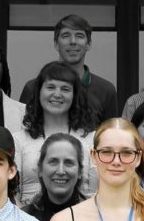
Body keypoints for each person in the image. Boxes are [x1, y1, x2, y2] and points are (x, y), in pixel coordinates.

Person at [18, 62, 99, 205]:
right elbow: (13, 194)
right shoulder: (18, 140)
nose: (57, 94)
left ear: (75, 95)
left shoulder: (93, 140)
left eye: (65, 89)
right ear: (39, 92)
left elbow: (95, 194)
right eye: (50, 87)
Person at [18, 14, 119, 119]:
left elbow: (109, 134)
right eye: (66, 36)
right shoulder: (33, 87)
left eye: (79, 36)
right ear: (56, 44)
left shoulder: (106, 90)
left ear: (88, 44)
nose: (73, 42)